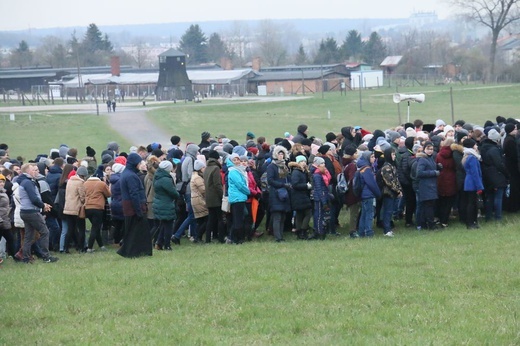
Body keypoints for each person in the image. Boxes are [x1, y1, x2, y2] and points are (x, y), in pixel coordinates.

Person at [17, 163, 58, 263]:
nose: (36, 172)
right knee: (45, 232)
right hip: (31, 212)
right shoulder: (28, 182)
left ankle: (26, 258)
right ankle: (46, 256)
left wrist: (43, 204)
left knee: (28, 236)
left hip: (25, 211)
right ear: (27, 171)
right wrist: (43, 205)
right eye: (33, 170)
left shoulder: (25, 182)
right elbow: (33, 198)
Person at [117, 153, 152, 258]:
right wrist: (138, 210)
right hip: (134, 206)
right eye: (139, 163)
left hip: (128, 205)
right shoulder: (131, 176)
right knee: (137, 230)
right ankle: (135, 251)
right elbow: (134, 194)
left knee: (133, 230)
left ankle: (132, 251)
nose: (140, 165)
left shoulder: (126, 173)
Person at [267, 146, 291, 242]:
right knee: (277, 216)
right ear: (275, 155)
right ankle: (278, 237)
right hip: (276, 193)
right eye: (279, 154)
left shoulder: (285, 166)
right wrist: (282, 185)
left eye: (282, 154)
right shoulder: (271, 166)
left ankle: (280, 235)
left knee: (283, 216)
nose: (281, 156)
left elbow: (287, 177)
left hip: (284, 193)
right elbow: (270, 180)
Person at [153, 160, 179, 250]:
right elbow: (172, 192)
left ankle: (159, 242)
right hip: (166, 204)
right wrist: (177, 195)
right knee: (168, 225)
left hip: (159, 202)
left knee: (164, 224)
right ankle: (167, 245)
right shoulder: (166, 179)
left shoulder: (157, 176)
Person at [84, 168, 111, 252]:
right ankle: (89, 247)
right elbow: (108, 194)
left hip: (87, 207)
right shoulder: (101, 184)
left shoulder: (85, 183)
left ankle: (101, 245)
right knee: (95, 227)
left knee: (96, 227)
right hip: (98, 207)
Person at [416, 141, 440, 230]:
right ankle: (430, 224)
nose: (430, 151)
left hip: (431, 185)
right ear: (424, 149)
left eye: (431, 149)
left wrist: (437, 167)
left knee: (429, 206)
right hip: (426, 186)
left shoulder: (430, 158)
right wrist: (434, 172)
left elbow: (429, 167)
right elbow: (419, 173)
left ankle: (426, 224)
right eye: (428, 149)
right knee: (428, 206)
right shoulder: (423, 159)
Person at [226, 153, 250, 244]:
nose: (237, 161)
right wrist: (248, 191)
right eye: (234, 160)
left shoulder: (238, 170)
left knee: (240, 218)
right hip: (237, 198)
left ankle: (234, 238)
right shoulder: (233, 171)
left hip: (240, 197)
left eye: (237, 159)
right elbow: (240, 184)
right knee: (238, 219)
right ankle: (236, 239)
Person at [357, 151, 380, 238]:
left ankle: (361, 232)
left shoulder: (362, 168)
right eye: (372, 157)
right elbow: (371, 184)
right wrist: (378, 193)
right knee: (369, 214)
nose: (374, 159)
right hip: (368, 194)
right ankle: (368, 232)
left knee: (364, 213)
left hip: (364, 194)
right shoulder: (367, 169)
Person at [380, 148, 402, 237]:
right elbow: (389, 181)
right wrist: (397, 190)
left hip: (393, 192)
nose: (394, 156)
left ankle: (388, 228)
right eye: (393, 154)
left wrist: (399, 189)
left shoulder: (392, 166)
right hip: (388, 193)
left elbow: (396, 179)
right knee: (387, 211)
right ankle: (386, 230)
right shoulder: (386, 167)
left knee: (390, 211)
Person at [462, 138, 484, 229]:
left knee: (472, 203)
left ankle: (472, 222)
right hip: (472, 183)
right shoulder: (472, 157)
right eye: (475, 144)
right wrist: (479, 186)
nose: (476, 146)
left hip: (469, 181)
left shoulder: (467, 155)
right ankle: (471, 222)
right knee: (472, 203)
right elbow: (475, 173)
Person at [203, 150, 224, 243]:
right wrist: (222, 196)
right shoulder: (215, 168)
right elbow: (217, 184)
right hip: (215, 197)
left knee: (210, 219)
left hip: (208, 196)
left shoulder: (207, 168)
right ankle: (221, 238)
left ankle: (208, 239)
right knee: (220, 218)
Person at [190, 160, 208, 242]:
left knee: (200, 220)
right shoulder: (197, 178)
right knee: (206, 219)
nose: (205, 168)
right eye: (203, 167)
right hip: (199, 200)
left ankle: (198, 237)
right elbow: (203, 190)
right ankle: (198, 236)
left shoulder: (194, 176)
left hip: (195, 199)